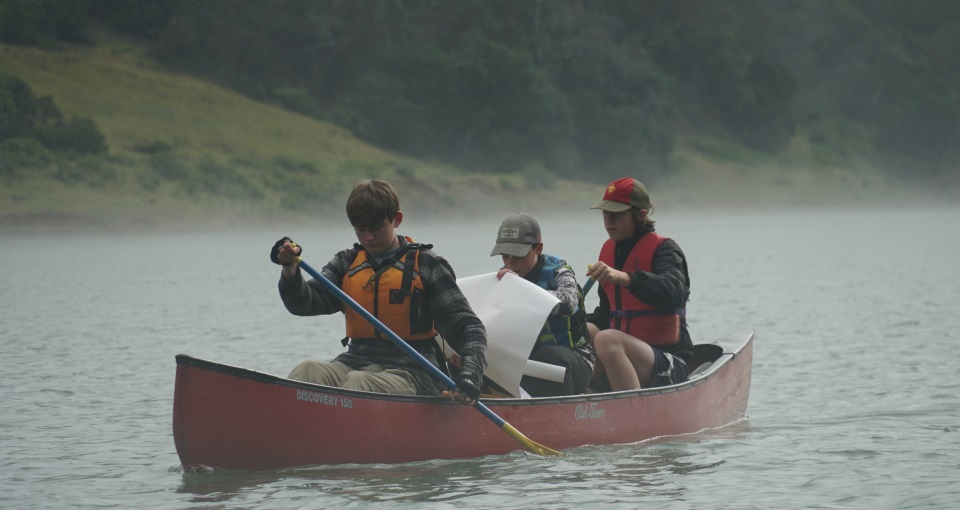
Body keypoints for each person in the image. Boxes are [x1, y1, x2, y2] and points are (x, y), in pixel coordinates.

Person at [271, 179, 486, 404]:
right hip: (356, 360)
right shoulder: (346, 262)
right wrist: (290, 270)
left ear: (397, 220)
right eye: (360, 230)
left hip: (413, 372)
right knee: (307, 370)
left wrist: (471, 375)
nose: (368, 238)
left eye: (375, 229)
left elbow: (468, 328)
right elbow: (303, 303)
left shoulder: (428, 265)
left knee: (357, 383)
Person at [585, 177, 694, 391]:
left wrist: (625, 278)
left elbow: (674, 292)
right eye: (606, 214)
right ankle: (581, 400)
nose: (609, 221)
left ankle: (632, 414)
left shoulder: (666, 249)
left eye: (617, 215)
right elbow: (606, 316)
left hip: (668, 362)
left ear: (641, 216)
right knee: (584, 331)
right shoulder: (610, 252)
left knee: (607, 340)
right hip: (627, 360)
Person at [488, 212, 595, 397]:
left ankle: (559, 414)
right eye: (505, 256)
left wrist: (523, 290)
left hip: (575, 359)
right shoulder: (502, 278)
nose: (510, 264)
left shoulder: (559, 271)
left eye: (517, 256)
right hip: (527, 362)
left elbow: (569, 303)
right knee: (471, 357)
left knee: (548, 356)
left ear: (538, 248)